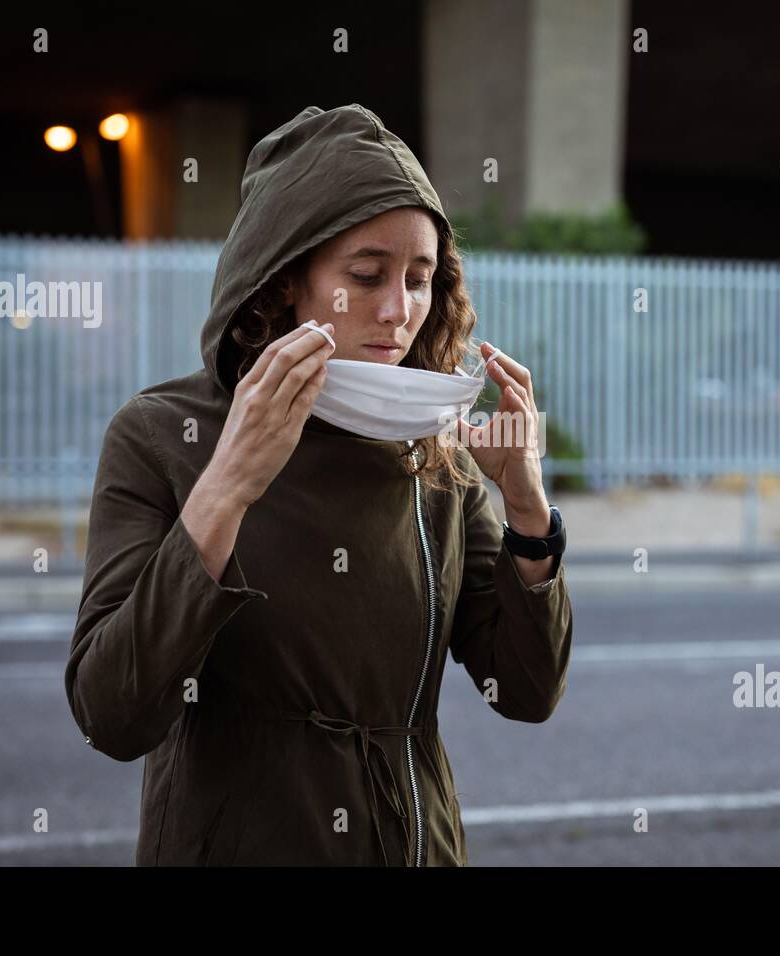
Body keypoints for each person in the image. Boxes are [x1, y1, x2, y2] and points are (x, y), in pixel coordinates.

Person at [63, 104, 573, 866]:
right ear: (285, 279)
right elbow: (113, 714)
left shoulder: (433, 449)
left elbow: (526, 693)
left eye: (420, 278)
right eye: (366, 275)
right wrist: (229, 482)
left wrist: (528, 507)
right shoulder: (164, 434)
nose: (399, 310)